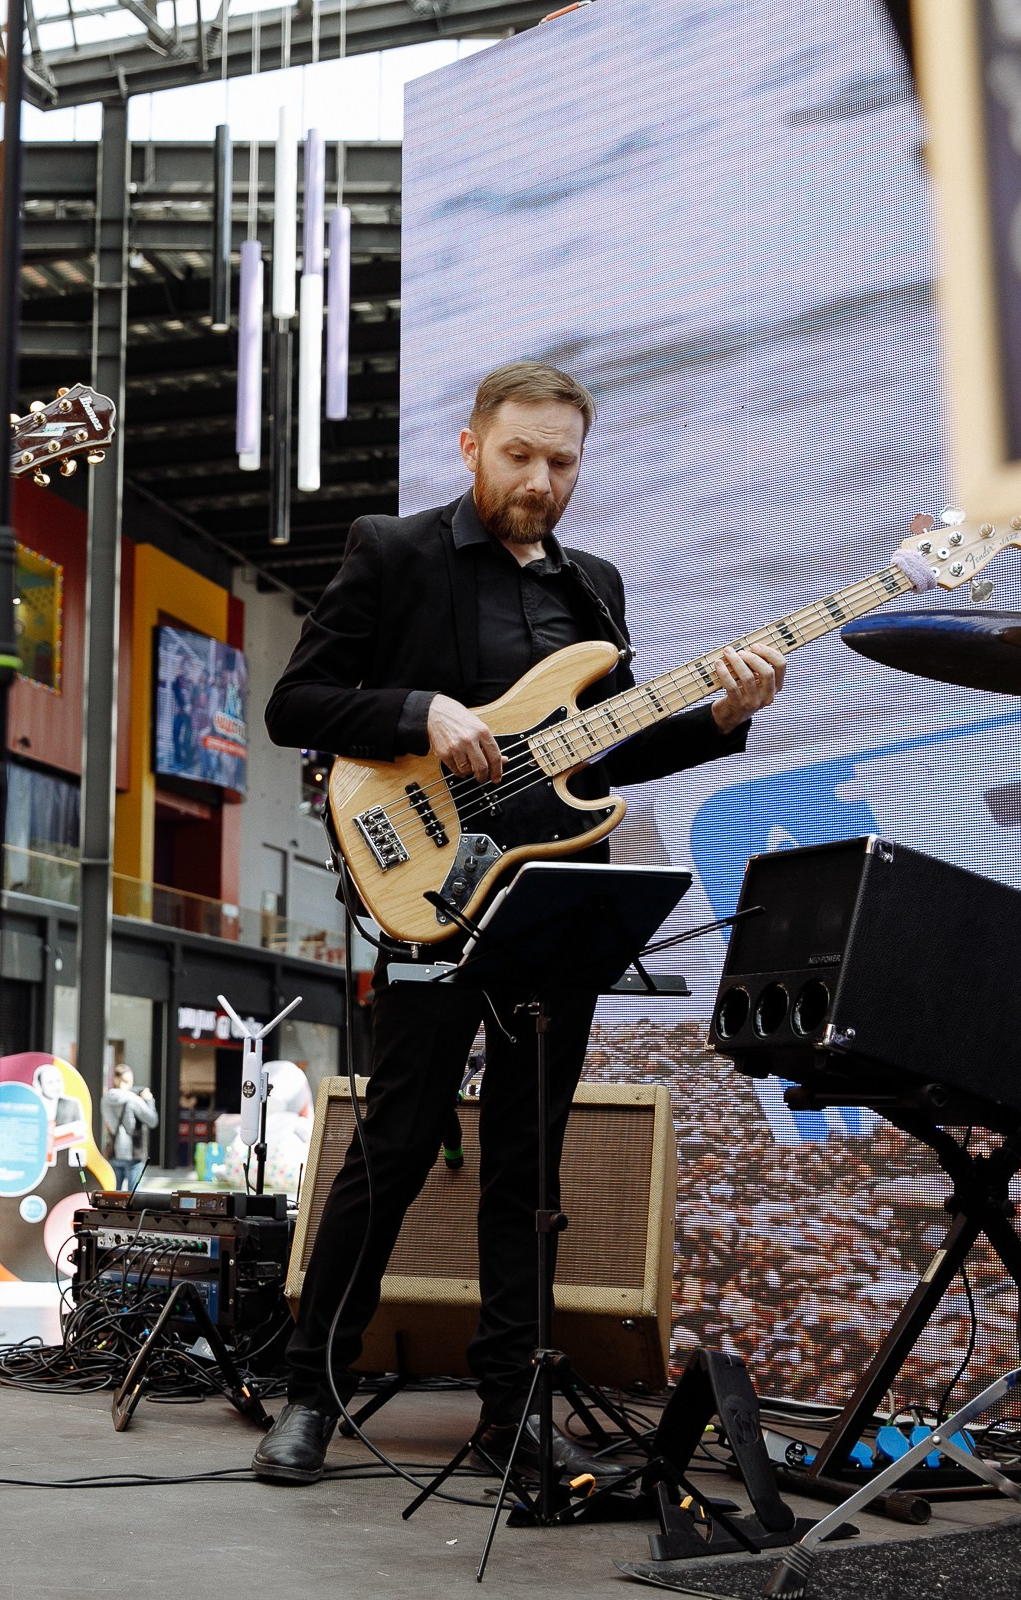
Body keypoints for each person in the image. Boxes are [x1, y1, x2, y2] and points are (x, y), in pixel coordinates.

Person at [249, 360, 788, 1485]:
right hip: (425, 892)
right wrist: (419, 711)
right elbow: (295, 703)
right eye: (521, 456)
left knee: (528, 1163)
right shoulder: (392, 553)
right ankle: (312, 1387)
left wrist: (721, 720)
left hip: (548, 897)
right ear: (470, 447)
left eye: (563, 462)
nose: (542, 481)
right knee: (392, 1145)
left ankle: (512, 1406)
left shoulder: (595, 589)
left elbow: (609, 750)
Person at [100, 1062, 156, 1191]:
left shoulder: (105, 1099)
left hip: (113, 1152)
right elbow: (152, 1120)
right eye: (127, 1081)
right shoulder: (134, 1099)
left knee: (113, 1197)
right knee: (134, 1198)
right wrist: (149, 1100)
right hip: (133, 1154)